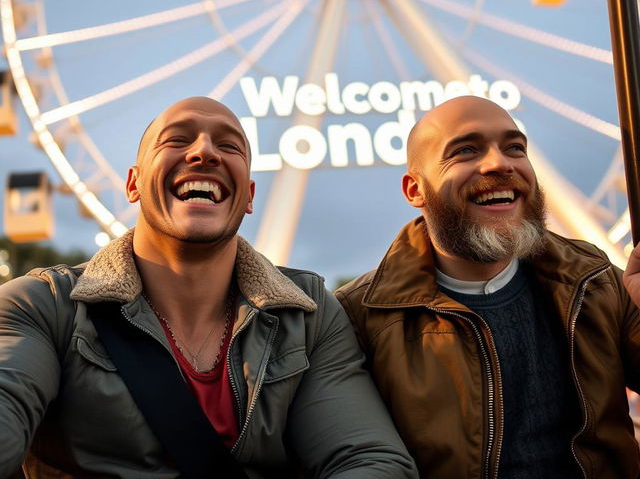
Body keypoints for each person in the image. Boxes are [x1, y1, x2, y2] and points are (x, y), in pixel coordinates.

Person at [0, 96, 417, 478]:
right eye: (177, 140)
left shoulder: (307, 316)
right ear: (133, 184)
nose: (204, 152)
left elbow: (367, 458)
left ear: (249, 196)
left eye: (230, 146)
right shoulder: (44, 306)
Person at [336, 95, 640, 479]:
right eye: (465, 151)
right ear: (415, 190)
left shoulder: (597, 281)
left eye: (515, 147)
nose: (500, 163)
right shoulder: (358, 318)